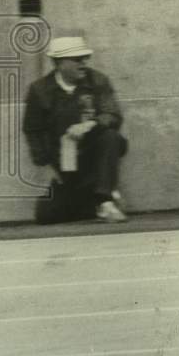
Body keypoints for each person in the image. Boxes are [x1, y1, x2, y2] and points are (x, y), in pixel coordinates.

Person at [23, 34, 128, 224]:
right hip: (63, 162)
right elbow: (32, 131)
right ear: (59, 63)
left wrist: (89, 124)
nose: (84, 64)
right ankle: (95, 200)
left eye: (85, 58)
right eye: (77, 60)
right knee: (47, 216)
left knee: (111, 137)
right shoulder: (39, 90)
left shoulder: (98, 81)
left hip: (93, 156)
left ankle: (104, 199)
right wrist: (46, 166)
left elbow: (113, 115)